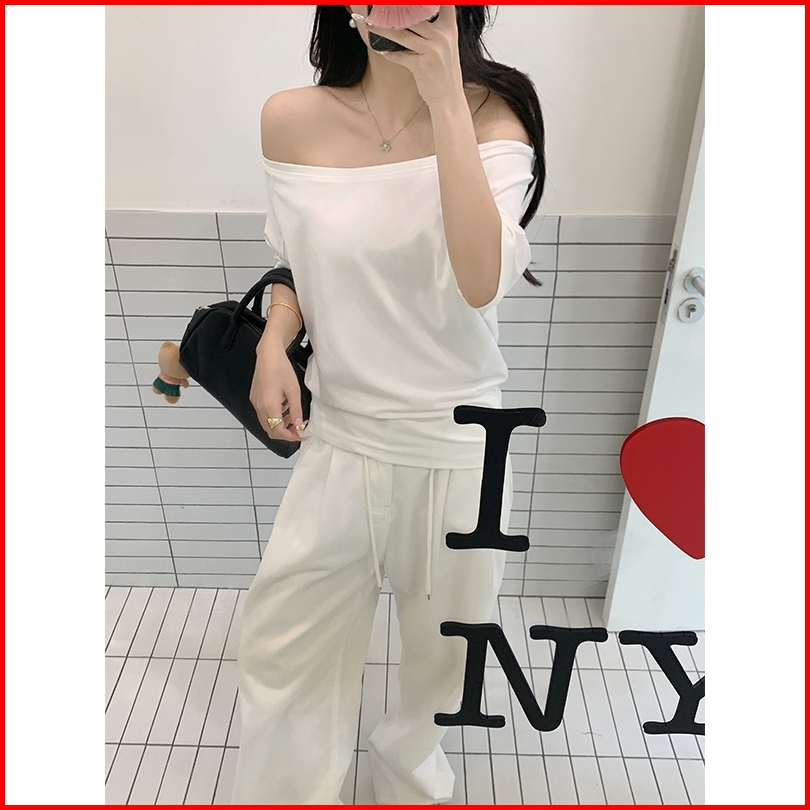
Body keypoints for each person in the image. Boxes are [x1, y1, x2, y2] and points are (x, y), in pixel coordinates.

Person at [231, 5, 546, 804]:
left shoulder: (494, 115)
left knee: (441, 664)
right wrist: (275, 340)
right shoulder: (290, 120)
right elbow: (299, 260)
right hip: (340, 437)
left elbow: (480, 279)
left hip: (459, 447)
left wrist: (445, 100)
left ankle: (408, 783)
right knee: (282, 645)